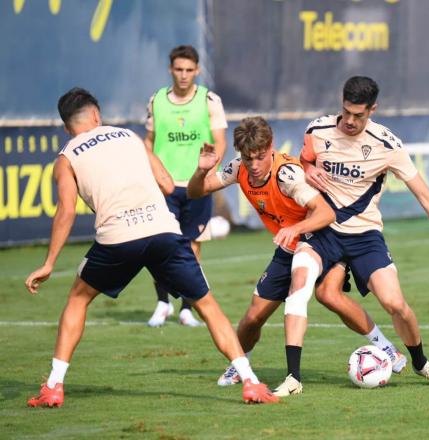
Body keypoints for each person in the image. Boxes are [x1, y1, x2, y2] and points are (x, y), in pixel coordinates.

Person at [24, 88, 277, 407]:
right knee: (207, 305)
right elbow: (169, 184)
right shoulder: (130, 137)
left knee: (77, 298)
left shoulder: (66, 158)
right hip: (163, 230)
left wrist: (49, 263)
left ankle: (54, 386)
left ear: (66, 127)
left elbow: (66, 211)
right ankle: (251, 382)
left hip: (117, 237)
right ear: (97, 116)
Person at [294, 76, 429, 387]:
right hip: (325, 231)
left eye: (358, 115)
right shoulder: (317, 130)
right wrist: (308, 169)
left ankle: (421, 362)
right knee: (324, 294)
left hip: (365, 236)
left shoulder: (387, 145)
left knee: (395, 304)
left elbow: (425, 195)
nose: (349, 121)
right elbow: (302, 161)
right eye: (345, 112)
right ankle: (385, 349)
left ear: (373, 109)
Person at [187, 116, 407, 397]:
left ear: (271, 148)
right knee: (253, 317)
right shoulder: (239, 167)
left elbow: (325, 213)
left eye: (260, 157)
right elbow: (196, 192)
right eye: (248, 157)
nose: (254, 165)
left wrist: (296, 228)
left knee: (330, 295)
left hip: (322, 239)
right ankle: (239, 365)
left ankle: (385, 346)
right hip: (288, 245)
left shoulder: (287, 175)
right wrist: (201, 170)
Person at [144, 45, 228, 326]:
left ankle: (186, 309)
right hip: (165, 186)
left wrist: (207, 177)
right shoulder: (157, 100)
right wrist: (153, 173)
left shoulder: (209, 100)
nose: (183, 75)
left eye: (189, 70)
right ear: (171, 69)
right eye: (178, 69)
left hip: (196, 186)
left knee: (192, 248)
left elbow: (220, 142)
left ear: (197, 71)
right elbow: (149, 141)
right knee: (160, 246)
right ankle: (162, 303)